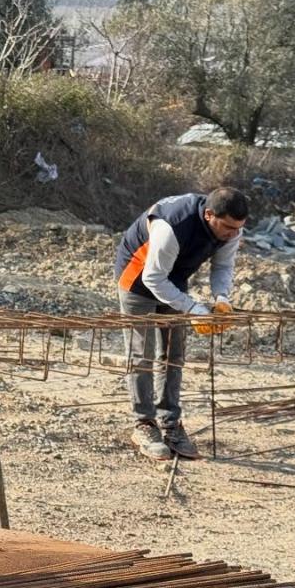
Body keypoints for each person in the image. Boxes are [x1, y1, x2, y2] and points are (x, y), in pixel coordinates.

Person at [113, 188, 248, 461]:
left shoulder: (231, 229)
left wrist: (221, 298)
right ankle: (144, 424)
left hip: (173, 279)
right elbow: (153, 278)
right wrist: (193, 308)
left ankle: (170, 423)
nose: (233, 234)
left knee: (173, 354)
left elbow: (223, 267)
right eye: (228, 227)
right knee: (141, 355)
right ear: (209, 215)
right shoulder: (172, 227)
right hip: (138, 277)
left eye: (238, 228)